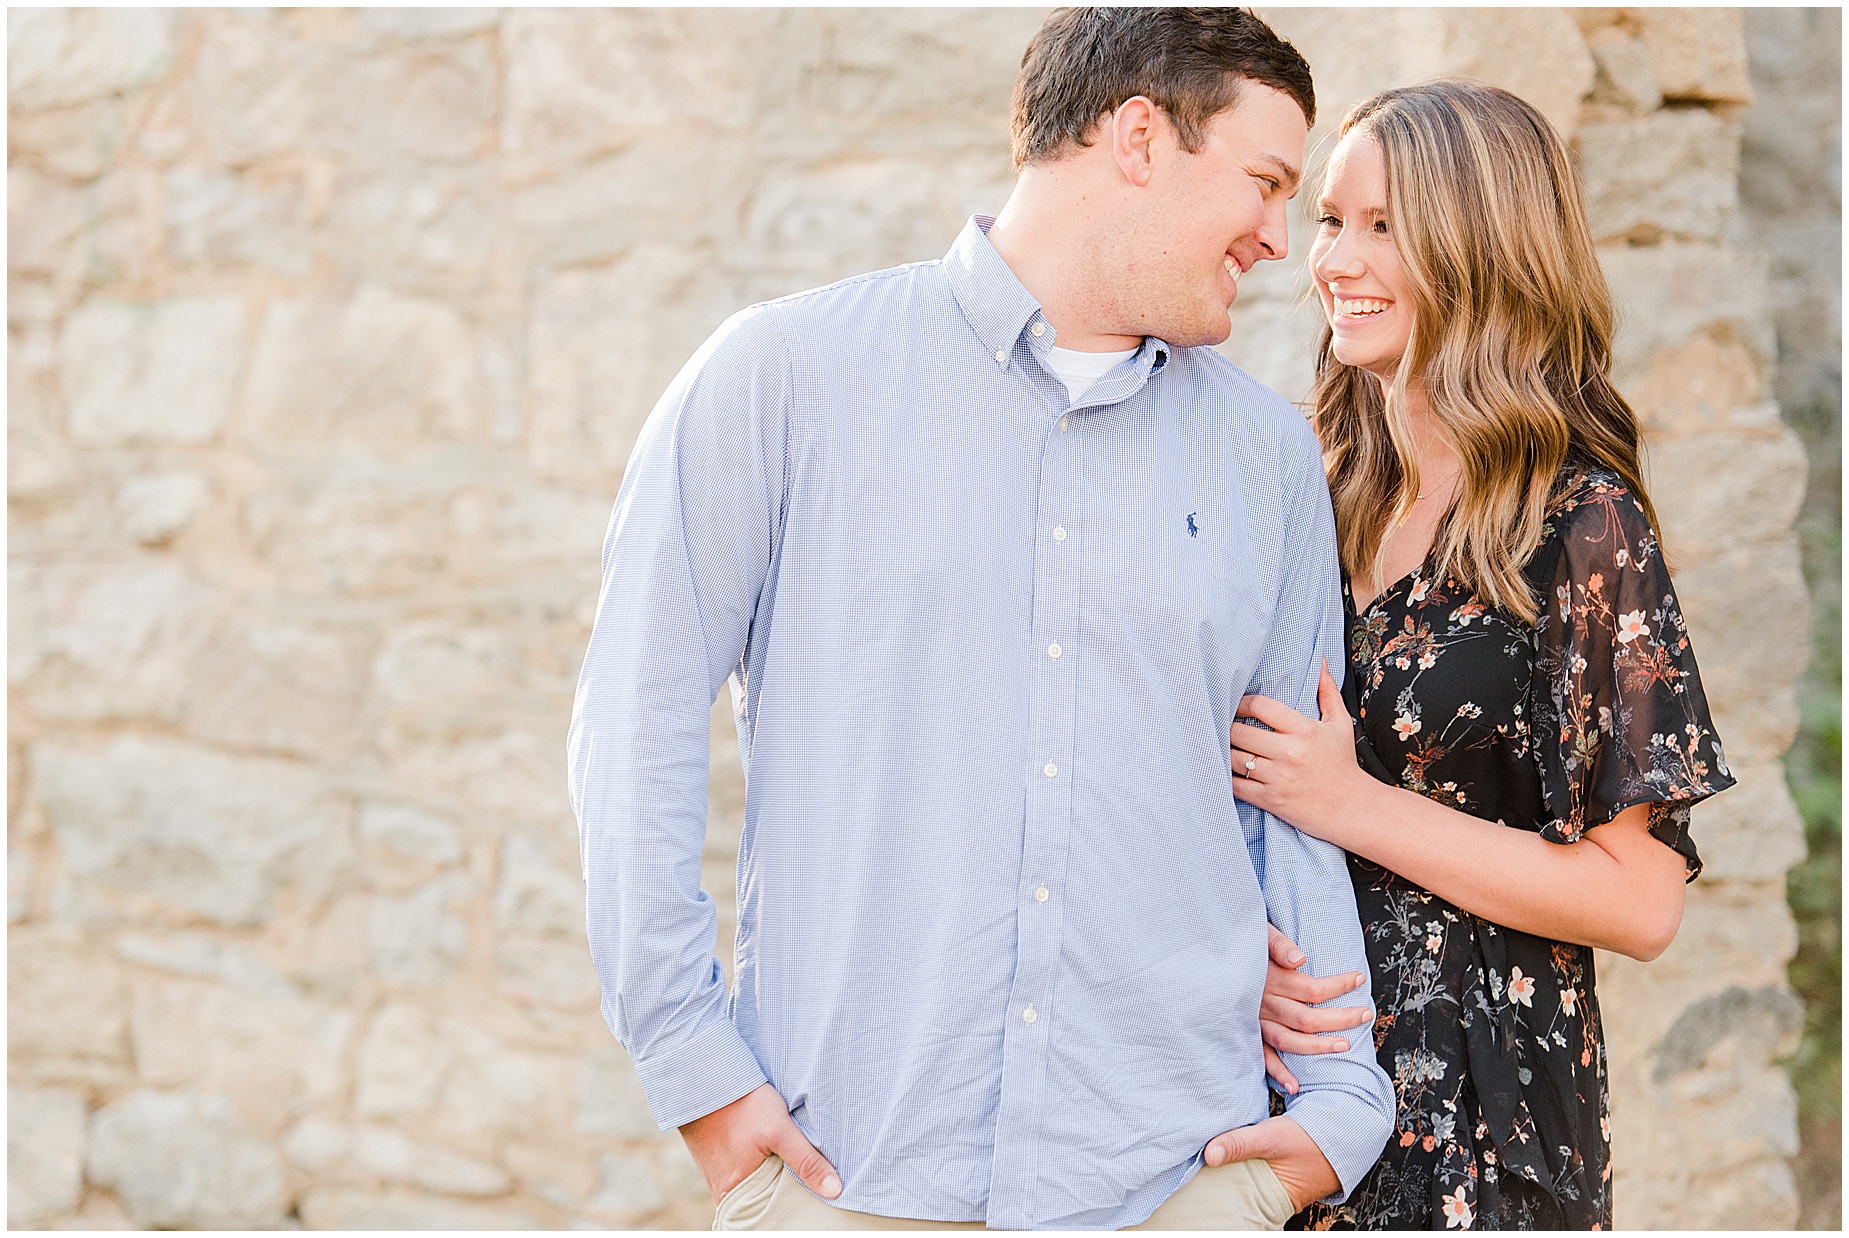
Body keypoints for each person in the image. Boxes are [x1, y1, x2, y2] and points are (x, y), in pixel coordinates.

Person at [567, 8, 1394, 1231]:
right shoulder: (781, 377)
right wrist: (696, 1070)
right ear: (1137, 139)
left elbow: (1286, 797)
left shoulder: (1267, 457)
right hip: (852, 1174)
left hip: (1171, 1179)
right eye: (1266, 182)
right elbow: (633, 716)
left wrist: (1331, 1115)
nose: (1280, 238)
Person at [1230, 81, 1735, 1230]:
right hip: (1276, 1098)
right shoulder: (1312, 492)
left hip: (1474, 1127)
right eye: (1328, 219)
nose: (1336, 260)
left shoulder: (1581, 521)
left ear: (1481, 245)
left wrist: (1349, 803)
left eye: (1384, 226)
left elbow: (1641, 900)